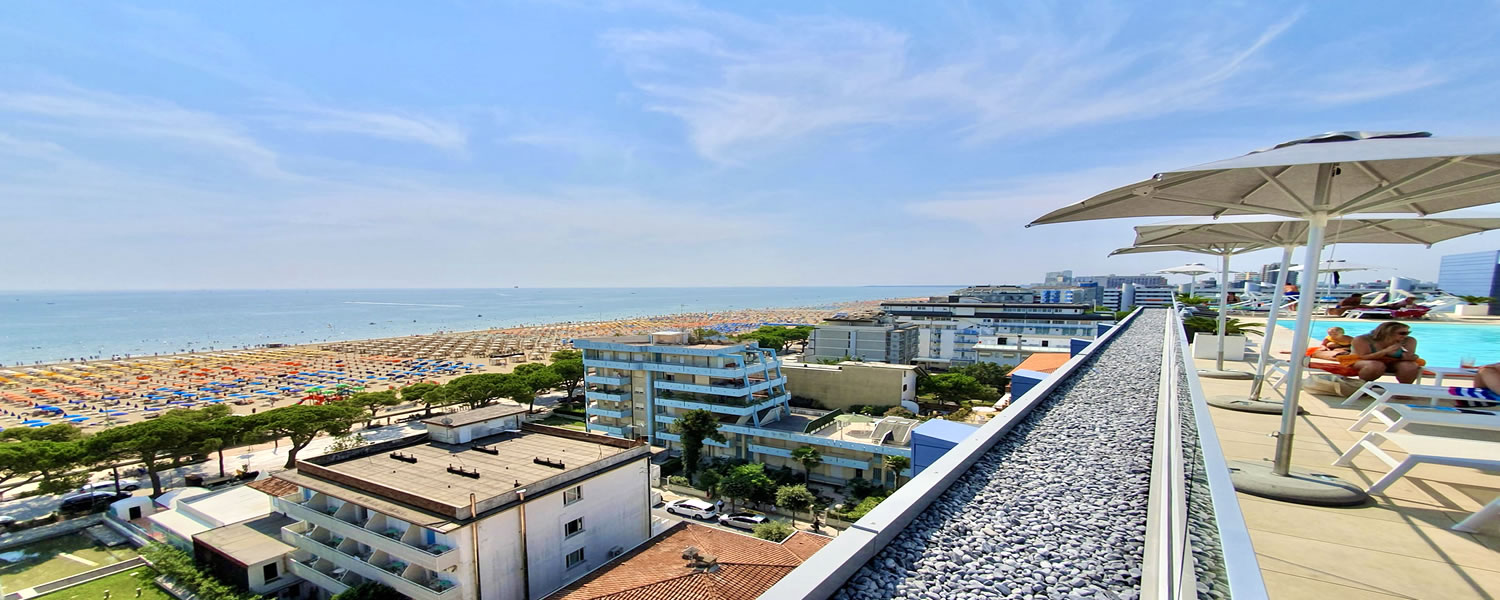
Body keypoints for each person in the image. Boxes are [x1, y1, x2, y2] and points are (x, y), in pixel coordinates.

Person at [1345, 322, 1422, 383]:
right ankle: (1363, 386)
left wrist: (1407, 355)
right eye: (1402, 333)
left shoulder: (1408, 340)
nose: (1405, 336)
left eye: (1407, 333)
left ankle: (1404, 389)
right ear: (1388, 332)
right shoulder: (1362, 339)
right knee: (1375, 365)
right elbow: (1364, 356)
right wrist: (1386, 351)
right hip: (1362, 361)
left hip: (1393, 362)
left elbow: (1409, 357)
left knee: (1410, 366)